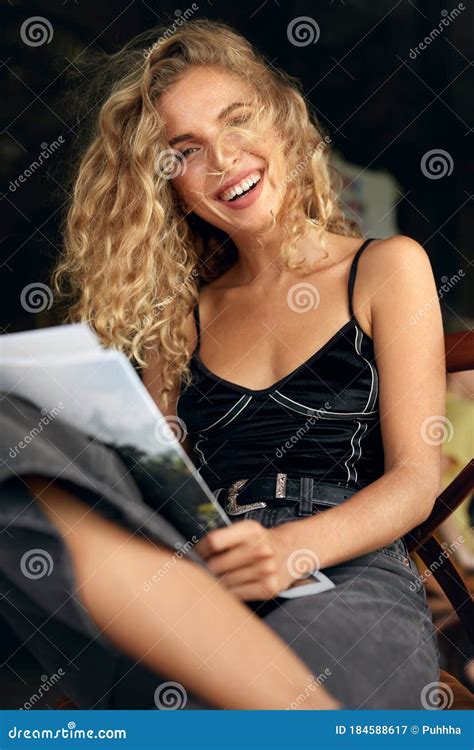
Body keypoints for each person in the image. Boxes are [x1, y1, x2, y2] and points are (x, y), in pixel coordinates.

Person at [1, 18, 444, 709]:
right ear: (167, 186)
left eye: (238, 121)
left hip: (345, 573)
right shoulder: (187, 314)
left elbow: (416, 482)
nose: (225, 158)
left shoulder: (387, 268)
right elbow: (157, 480)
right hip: (203, 567)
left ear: (282, 119)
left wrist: (289, 549)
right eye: (186, 151)